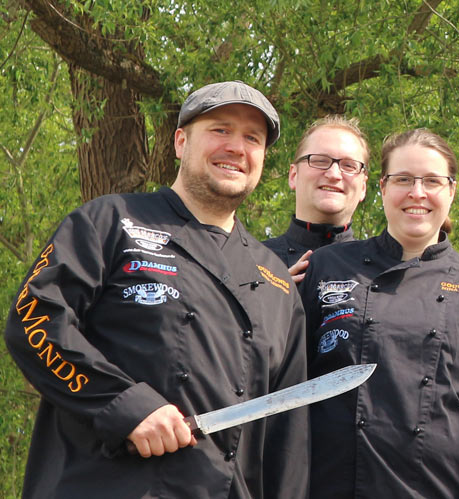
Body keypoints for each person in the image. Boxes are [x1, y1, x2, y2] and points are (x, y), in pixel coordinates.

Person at [4, 81, 308, 497]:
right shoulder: (109, 221)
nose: (236, 147)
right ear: (180, 142)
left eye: (251, 138)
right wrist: (124, 405)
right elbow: (33, 320)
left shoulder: (276, 280)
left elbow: (285, 435)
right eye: (220, 130)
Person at [300, 128, 459, 498]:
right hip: (333, 485)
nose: (417, 193)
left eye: (432, 181)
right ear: (383, 187)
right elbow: (288, 381)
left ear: (451, 191)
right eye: (403, 179)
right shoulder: (329, 265)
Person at [262, 115, 369, 278]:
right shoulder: (251, 262)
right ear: (293, 176)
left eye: (348, 165)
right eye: (320, 161)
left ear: (363, 187)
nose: (334, 174)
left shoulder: (383, 270)